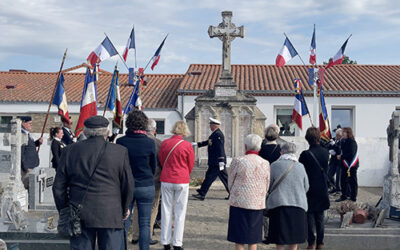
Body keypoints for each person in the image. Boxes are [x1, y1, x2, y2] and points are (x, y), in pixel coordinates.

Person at [52, 116, 134, 250]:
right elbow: (128, 184)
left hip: (79, 212)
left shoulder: (70, 151)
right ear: (107, 132)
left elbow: (58, 187)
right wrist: (124, 208)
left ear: (85, 132)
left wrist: (64, 209)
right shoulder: (119, 152)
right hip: (111, 212)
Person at [116, 110, 156, 250]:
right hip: (145, 184)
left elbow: (118, 166)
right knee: (144, 223)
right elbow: (153, 166)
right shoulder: (149, 143)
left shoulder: (121, 142)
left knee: (124, 221)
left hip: (126, 185)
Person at [227, 134, 270, 250]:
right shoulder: (265, 163)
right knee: (253, 239)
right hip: (256, 203)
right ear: (259, 148)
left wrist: (233, 192)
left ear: (245, 146)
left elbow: (230, 181)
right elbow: (267, 183)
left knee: (239, 238)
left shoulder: (238, 161)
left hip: (239, 202)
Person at [158, 121, 195, 250]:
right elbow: (190, 164)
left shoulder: (165, 143)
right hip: (181, 179)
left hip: (167, 178)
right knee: (180, 212)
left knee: (166, 210)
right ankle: (177, 243)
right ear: (184, 131)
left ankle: (165, 241)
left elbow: (162, 159)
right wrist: (185, 173)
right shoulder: (187, 145)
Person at [267, 142, 309, 250]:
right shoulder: (300, 166)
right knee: (294, 239)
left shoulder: (275, 165)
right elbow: (306, 186)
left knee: (279, 239)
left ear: (281, 152)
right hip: (298, 204)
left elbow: (269, 185)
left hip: (279, 204)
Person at [131, 119, 162, 246]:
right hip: (153, 180)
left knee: (136, 208)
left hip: (135, 179)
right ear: (154, 130)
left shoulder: (135, 141)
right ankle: (147, 236)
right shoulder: (158, 143)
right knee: (152, 208)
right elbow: (160, 162)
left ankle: (135, 235)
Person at [299, 127, 330, 250]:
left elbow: (302, 172)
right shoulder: (325, 152)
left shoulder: (305, 154)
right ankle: (320, 243)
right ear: (318, 137)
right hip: (322, 187)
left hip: (309, 188)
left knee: (310, 217)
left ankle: (311, 243)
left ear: (307, 139)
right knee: (320, 217)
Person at [192, 118, 229, 200]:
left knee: (210, 177)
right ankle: (233, 194)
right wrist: (198, 144)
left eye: (211, 125)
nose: (210, 126)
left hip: (217, 162)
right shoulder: (215, 134)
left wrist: (221, 160)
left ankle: (202, 193)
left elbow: (220, 148)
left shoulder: (218, 134)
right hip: (215, 161)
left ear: (214, 125)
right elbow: (208, 142)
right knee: (223, 178)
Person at [258, 124, 282, 245]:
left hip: (263, 180)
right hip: (276, 181)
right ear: (276, 136)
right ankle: (276, 233)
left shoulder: (260, 150)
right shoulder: (279, 150)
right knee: (275, 208)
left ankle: (267, 234)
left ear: (265, 136)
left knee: (265, 210)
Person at [336, 127, 359, 202]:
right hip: (344, 165)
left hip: (351, 165)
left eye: (344, 132)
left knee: (352, 181)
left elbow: (351, 153)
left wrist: (341, 156)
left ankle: (353, 196)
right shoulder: (343, 141)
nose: (342, 134)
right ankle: (344, 195)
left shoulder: (352, 142)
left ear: (348, 133)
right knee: (343, 180)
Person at [20, 116, 43, 189]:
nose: (31, 125)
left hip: (33, 165)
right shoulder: (21, 134)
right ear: (23, 123)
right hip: (28, 168)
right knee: (28, 187)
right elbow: (21, 152)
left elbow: (29, 146)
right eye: (29, 123)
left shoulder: (28, 134)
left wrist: (37, 142)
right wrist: (26, 167)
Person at [327, 128, 342, 194]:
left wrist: (334, 145)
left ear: (340, 135)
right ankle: (334, 187)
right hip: (333, 160)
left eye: (337, 135)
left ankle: (338, 190)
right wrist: (329, 149)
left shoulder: (342, 141)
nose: (336, 136)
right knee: (329, 175)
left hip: (339, 162)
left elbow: (340, 150)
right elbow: (328, 146)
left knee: (338, 177)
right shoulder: (334, 139)